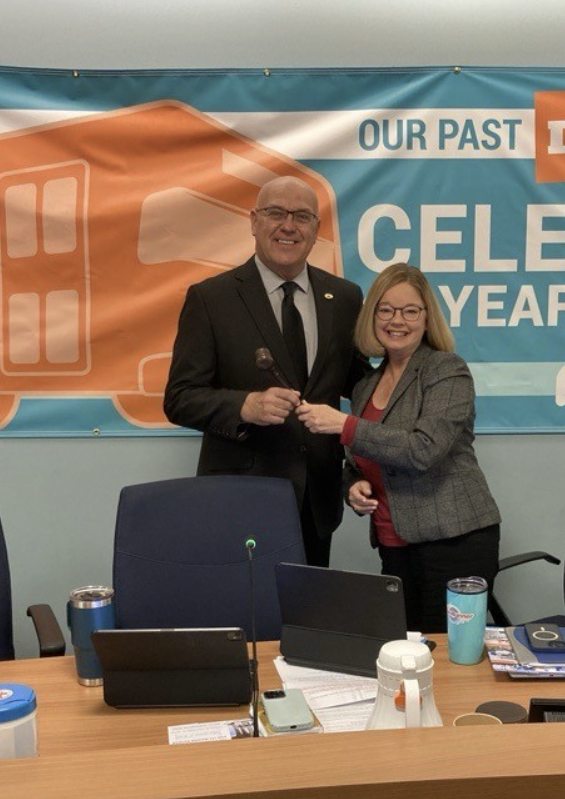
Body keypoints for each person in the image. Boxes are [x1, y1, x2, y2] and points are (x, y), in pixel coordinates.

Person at [164, 176, 368, 567]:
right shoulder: (210, 299)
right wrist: (246, 406)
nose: (288, 226)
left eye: (302, 216)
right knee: (243, 618)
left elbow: (361, 385)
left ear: (317, 230)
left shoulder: (344, 298)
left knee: (304, 616)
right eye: (276, 213)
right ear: (254, 221)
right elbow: (179, 398)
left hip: (317, 499)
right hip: (240, 497)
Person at [297, 263, 501, 632]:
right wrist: (353, 487)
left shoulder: (447, 370)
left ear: (427, 318)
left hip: (454, 542)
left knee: (444, 661)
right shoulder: (365, 387)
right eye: (386, 309)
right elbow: (359, 462)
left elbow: (423, 449)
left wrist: (344, 425)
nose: (397, 320)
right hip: (394, 543)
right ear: (372, 316)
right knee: (404, 654)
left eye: (410, 311)